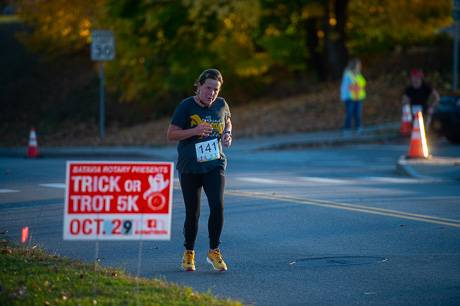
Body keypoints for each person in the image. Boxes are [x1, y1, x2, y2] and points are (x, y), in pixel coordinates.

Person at [166, 68, 232, 272]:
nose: (212, 93)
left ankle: (214, 251)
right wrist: (195, 131)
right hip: (190, 167)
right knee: (192, 213)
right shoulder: (186, 106)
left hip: (214, 164)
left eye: (216, 89)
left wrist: (227, 134)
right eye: (208, 88)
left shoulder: (221, 104)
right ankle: (189, 252)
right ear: (199, 86)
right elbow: (171, 134)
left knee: (217, 206)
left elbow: (228, 121)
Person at [340, 58, 366, 133]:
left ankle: (358, 127)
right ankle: (347, 128)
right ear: (354, 65)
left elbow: (363, 83)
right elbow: (346, 86)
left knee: (357, 113)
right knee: (349, 113)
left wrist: (358, 77)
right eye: (358, 65)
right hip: (350, 97)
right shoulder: (347, 74)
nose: (360, 66)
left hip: (358, 97)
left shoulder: (358, 74)